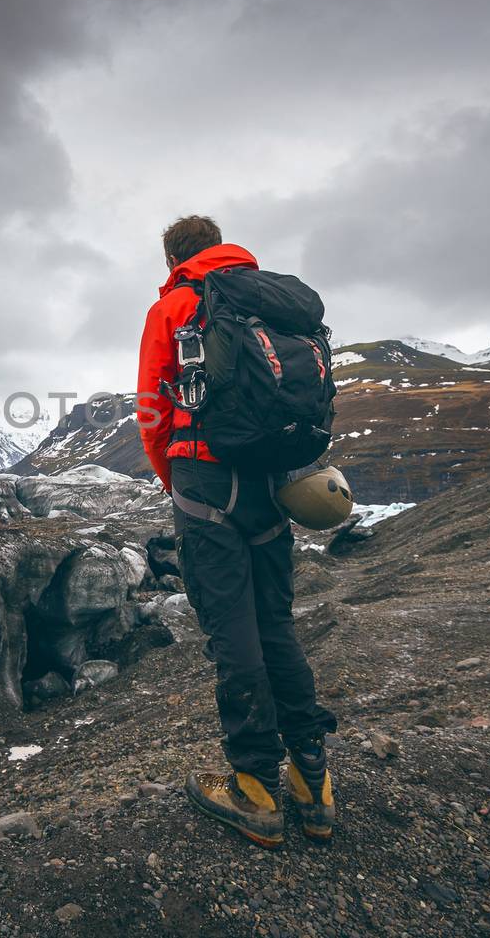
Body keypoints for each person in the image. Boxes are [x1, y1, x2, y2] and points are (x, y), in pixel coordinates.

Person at [136, 214, 338, 848]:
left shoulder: (176, 305)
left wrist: (175, 479)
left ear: (173, 257)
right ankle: (313, 783)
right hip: (272, 479)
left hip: (205, 477)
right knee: (276, 622)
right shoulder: (273, 300)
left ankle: (254, 787)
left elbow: (151, 408)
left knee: (232, 632)